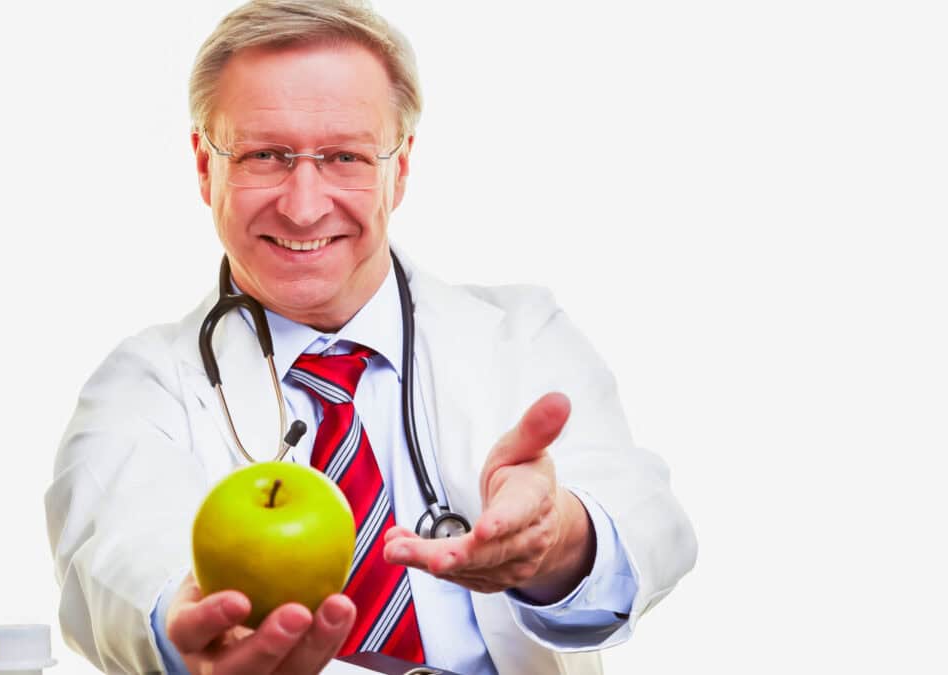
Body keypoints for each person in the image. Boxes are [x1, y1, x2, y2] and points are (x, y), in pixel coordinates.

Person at [44, 1, 697, 673]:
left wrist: (559, 540)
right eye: (265, 154)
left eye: (345, 156)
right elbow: (114, 560)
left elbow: (654, 528)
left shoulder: (524, 337)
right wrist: (187, 626)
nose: (303, 204)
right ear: (205, 167)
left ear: (401, 166)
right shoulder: (141, 387)